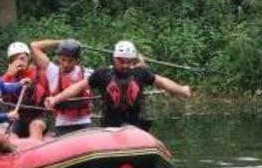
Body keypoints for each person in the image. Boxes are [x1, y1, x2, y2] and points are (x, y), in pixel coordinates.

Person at [44, 40, 192, 131]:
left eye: (129, 61)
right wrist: (56, 99)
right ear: (115, 59)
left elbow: (163, 82)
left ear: (133, 60)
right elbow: (77, 87)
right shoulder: (102, 74)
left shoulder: (141, 73)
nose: (125, 65)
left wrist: (182, 90)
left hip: (135, 125)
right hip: (110, 127)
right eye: (121, 61)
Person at [30, 38, 93, 136]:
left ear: (77, 60)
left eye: (70, 61)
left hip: (84, 123)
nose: (65, 64)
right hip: (62, 125)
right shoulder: (53, 71)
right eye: (63, 59)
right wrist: (60, 42)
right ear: (59, 57)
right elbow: (34, 46)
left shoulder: (87, 73)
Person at [1, 42, 48, 140]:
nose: (20, 62)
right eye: (15, 59)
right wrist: (9, 75)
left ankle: (36, 152)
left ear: (28, 58)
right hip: (18, 118)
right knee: (10, 136)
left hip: (37, 116)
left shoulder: (39, 74)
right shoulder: (9, 76)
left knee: (36, 126)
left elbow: (46, 94)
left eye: (22, 58)